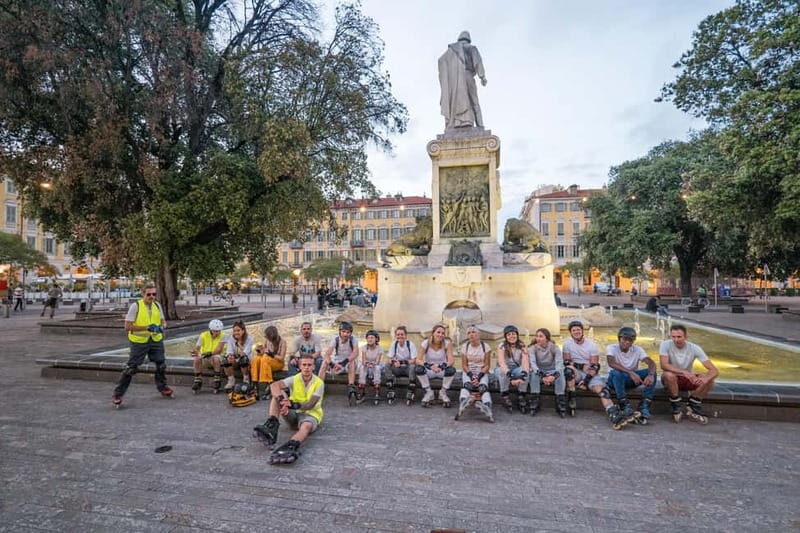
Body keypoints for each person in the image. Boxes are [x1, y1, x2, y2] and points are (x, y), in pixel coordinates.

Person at [253, 353, 324, 465]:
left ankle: (292, 445)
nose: (306, 367)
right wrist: (282, 400)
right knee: (278, 394)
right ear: (300, 366)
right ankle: (272, 424)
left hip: (310, 414)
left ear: (314, 367)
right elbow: (274, 385)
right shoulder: (295, 379)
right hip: (293, 413)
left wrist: (291, 404)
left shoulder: (319, 383)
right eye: (304, 365)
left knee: (306, 426)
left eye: (309, 365)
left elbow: (310, 405)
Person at [112, 283, 172, 407]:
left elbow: (163, 321)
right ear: (143, 294)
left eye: (154, 294)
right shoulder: (136, 306)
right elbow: (127, 326)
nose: (152, 297)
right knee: (131, 368)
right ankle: (118, 394)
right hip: (139, 341)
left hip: (155, 339)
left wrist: (161, 327)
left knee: (161, 365)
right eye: (148, 294)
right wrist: (147, 328)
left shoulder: (157, 305)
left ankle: (163, 387)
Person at [659, 325, 718, 424]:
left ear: (686, 337)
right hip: (671, 379)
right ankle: (676, 403)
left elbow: (714, 370)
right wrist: (683, 371)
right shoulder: (665, 345)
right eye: (673, 337)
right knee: (668, 375)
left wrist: (705, 379)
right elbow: (664, 365)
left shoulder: (695, 348)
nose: (676, 340)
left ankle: (693, 403)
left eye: (679, 337)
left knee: (710, 380)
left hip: (687, 379)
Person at [606, 326, 657, 424]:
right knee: (616, 373)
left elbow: (651, 362)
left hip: (630, 380)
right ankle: (624, 404)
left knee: (651, 372)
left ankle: (644, 405)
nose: (627, 342)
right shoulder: (611, 348)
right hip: (614, 381)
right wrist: (631, 372)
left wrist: (650, 375)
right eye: (624, 339)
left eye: (630, 340)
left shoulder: (638, 349)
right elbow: (611, 363)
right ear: (619, 338)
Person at [438, 31, 487, 130]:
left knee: (456, 101)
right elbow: (477, 62)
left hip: (455, 79)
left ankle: (456, 122)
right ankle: (480, 125)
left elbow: (441, 60)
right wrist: (482, 77)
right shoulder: (471, 48)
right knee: (473, 100)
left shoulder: (451, 51)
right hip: (468, 75)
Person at [561, 320, 603, 417]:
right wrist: (580, 366)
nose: (576, 332)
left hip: (589, 373)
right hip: (576, 371)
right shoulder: (567, 344)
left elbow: (595, 365)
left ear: (582, 331)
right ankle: (572, 398)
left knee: (602, 389)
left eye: (578, 330)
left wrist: (586, 381)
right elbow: (566, 362)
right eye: (574, 330)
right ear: (571, 333)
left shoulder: (591, 344)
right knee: (568, 370)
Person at [455, 325, 494, 422]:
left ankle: (487, 408)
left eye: (473, 332)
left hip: (482, 371)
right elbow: (464, 365)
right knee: (467, 386)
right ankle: (463, 404)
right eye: (469, 333)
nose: (471, 334)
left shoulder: (485, 347)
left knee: (482, 388)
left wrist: (479, 377)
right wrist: (472, 376)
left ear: (478, 334)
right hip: (469, 372)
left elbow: (487, 365)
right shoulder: (465, 347)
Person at [528, 328, 567, 418]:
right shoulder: (532, 348)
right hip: (539, 370)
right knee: (533, 374)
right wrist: (542, 375)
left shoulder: (554, 347)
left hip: (552, 370)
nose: (538, 338)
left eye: (541, 336)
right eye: (537, 336)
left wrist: (553, 375)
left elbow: (559, 363)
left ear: (547, 338)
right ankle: (534, 401)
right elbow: (532, 364)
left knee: (561, 374)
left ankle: (560, 401)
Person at [320, 321, 360, 405]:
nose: (345, 334)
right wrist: (332, 364)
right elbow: (327, 354)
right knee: (324, 362)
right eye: (343, 332)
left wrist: (344, 363)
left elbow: (355, 353)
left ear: (350, 333)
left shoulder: (354, 339)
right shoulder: (335, 339)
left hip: (348, 362)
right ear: (340, 332)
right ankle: (319, 386)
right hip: (338, 362)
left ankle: (351, 387)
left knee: (352, 362)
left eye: (348, 332)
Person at [416, 323, 456, 408]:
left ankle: (443, 393)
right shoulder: (426, 343)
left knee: (451, 370)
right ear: (433, 333)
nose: (440, 335)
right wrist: (430, 366)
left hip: (442, 370)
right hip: (430, 370)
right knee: (418, 369)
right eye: (438, 332)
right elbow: (418, 360)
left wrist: (441, 367)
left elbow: (451, 361)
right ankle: (429, 392)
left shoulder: (447, 343)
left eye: (443, 333)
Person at [494, 325, 530, 413]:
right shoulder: (502, 346)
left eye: (513, 334)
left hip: (516, 369)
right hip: (502, 369)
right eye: (508, 334)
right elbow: (502, 363)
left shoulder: (522, 345)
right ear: (506, 337)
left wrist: (523, 375)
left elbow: (525, 362)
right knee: (502, 373)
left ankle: (521, 395)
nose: (511, 336)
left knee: (526, 372)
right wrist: (511, 376)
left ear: (517, 335)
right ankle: (505, 396)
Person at [251, 325, 287, 401]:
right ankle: (254, 383)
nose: (265, 338)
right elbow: (264, 353)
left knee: (265, 359)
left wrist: (271, 354)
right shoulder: (267, 341)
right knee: (256, 359)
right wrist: (260, 351)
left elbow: (281, 358)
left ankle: (268, 384)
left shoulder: (282, 342)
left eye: (266, 336)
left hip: (278, 363)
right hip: (268, 361)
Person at [190, 319, 226, 394]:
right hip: (205, 357)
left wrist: (209, 353)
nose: (217, 333)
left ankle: (217, 379)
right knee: (196, 359)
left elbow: (219, 350)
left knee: (216, 358)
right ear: (210, 330)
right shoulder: (203, 335)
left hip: (217, 357)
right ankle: (198, 380)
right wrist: (194, 351)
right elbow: (197, 347)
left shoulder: (224, 336)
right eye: (215, 331)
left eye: (218, 331)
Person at [385, 325, 418, 405]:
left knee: (413, 367)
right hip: (398, 368)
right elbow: (389, 358)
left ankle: (411, 390)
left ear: (405, 335)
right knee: (387, 365)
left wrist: (403, 363)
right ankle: (390, 389)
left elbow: (414, 360)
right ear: (395, 336)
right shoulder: (394, 344)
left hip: (407, 368)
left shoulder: (410, 344)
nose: (400, 336)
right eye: (398, 334)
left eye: (402, 334)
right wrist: (393, 362)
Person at [222, 320, 253, 393]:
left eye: (238, 330)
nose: (236, 333)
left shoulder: (249, 339)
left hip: (246, 362)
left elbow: (245, 353)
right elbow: (229, 351)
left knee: (243, 359)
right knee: (226, 360)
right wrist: (230, 356)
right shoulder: (231, 338)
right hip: (235, 360)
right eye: (234, 331)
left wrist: (238, 343)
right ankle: (231, 380)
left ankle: (246, 379)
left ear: (243, 331)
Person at [358, 330, 384, 404]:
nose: (370, 339)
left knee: (377, 368)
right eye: (368, 338)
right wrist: (367, 364)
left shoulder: (379, 348)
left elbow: (377, 361)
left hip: (375, 365)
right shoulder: (364, 347)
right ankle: (362, 391)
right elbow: (363, 360)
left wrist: (372, 364)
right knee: (362, 368)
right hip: (367, 365)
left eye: (372, 338)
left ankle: (377, 392)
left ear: (376, 339)